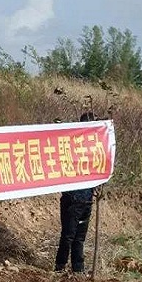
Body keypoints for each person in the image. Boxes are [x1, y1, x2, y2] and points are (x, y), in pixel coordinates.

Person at [55, 112, 96, 273]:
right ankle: (61, 266)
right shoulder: (74, 144)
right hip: (74, 198)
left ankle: (77, 269)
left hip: (85, 200)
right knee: (70, 235)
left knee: (77, 237)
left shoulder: (92, 147)